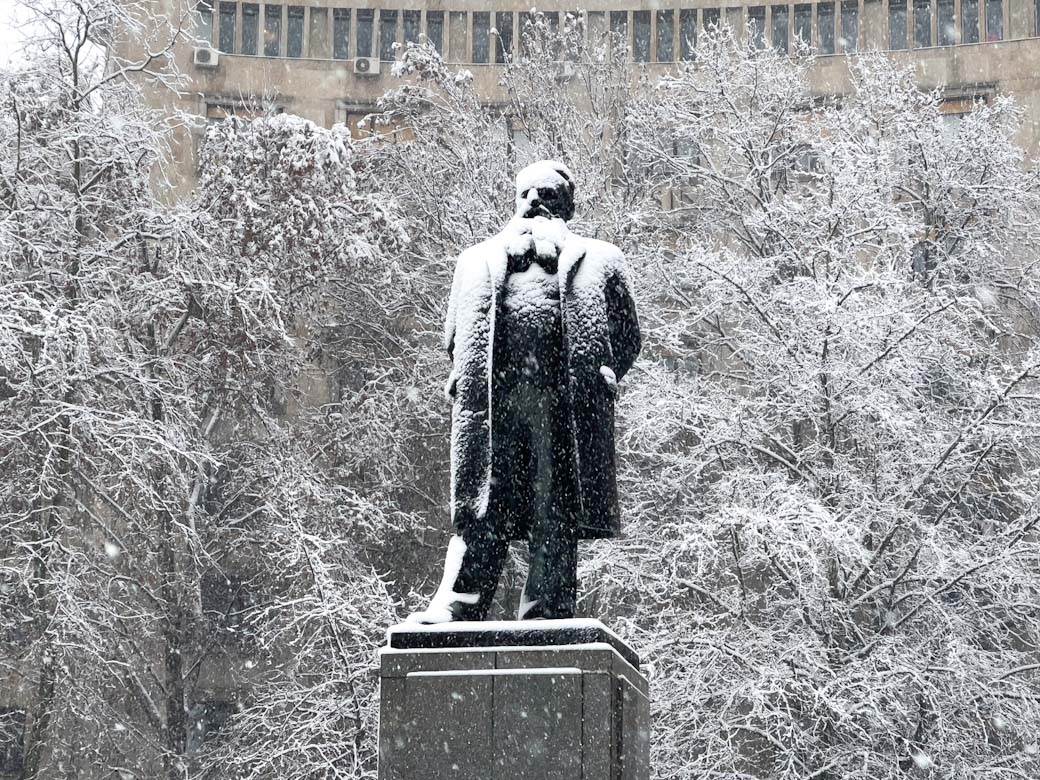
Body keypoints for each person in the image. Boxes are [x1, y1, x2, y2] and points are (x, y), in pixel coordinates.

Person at [409, 160, 641, 623]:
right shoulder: (474, 260)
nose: (535, 202)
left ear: (567, 207)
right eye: (527, 194)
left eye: (548, 194)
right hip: (492, 405)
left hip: (563, 405)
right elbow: (453, 335)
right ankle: (459, 602)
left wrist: (603, 373)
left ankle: (545, 609)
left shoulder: (602, 259)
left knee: (554, 503)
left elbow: (628, 334)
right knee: (482, 504)